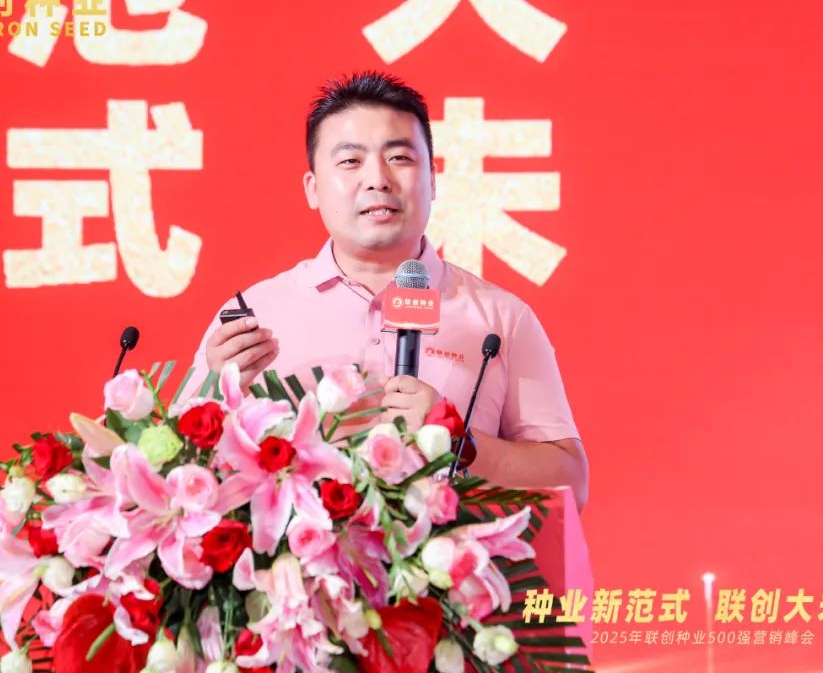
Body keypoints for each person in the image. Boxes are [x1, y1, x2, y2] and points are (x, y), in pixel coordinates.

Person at [188, 71, 588, 509]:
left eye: (399, 157)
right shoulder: (255, 316)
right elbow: (178, 474)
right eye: (350, 161)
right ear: (313, 188)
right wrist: (216, 393)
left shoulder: (500, 318)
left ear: (432, 179)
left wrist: (458, 441)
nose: (377, 179)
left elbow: (571, 482)